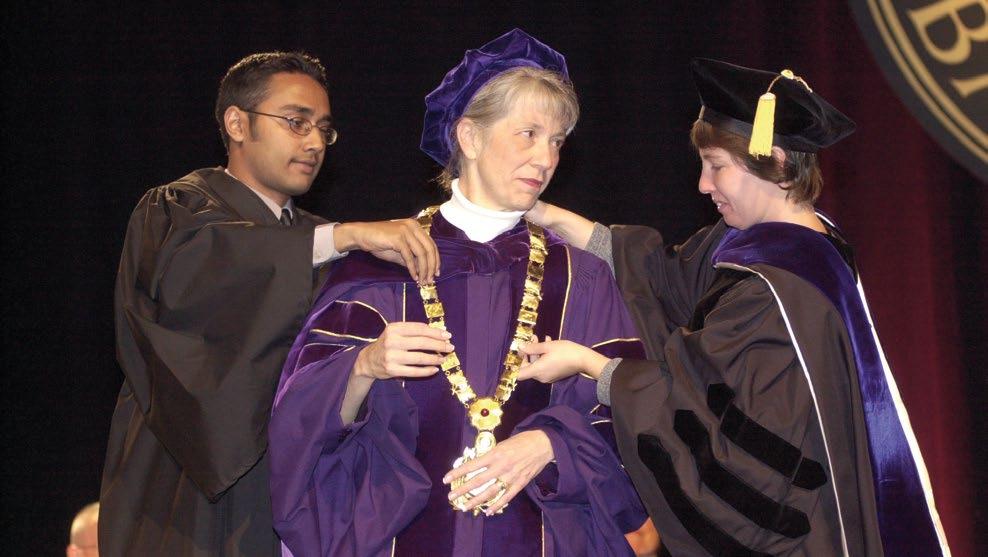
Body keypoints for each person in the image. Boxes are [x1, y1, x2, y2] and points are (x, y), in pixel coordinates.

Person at [519, 58, 951, 556]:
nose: (703, 185)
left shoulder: (776, 289)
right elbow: (659, 275)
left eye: (717, 166)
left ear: (778, 163)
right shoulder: (787, 243)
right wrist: (540, 211)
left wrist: (588, 364)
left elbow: (714, 429)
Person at [268, 30, 657, 556]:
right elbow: (297, 423)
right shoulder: (377, 270)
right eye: (528, 133)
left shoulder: (580, 277)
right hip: (402, 536)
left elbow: (631, 412)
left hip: (542, 536)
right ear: (470, 137)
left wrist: (552, 443)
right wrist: (362, 366)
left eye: (557, 141)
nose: (545, 158)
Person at [100, 51, 440, 556]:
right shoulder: (176, 211)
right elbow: (205, 277)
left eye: (324, 129)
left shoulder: (326, 246)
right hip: (181, 486)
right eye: (296, 122)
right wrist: (344, 237)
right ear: (237, 123)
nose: (314, 142)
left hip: (287, 487)